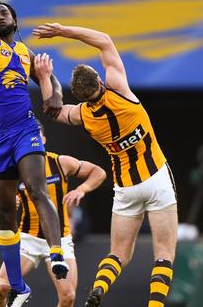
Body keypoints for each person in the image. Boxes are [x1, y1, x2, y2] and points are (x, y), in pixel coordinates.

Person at [32, 23, 178, 307]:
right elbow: (104, 41)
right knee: (164, 254)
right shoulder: (119, 91)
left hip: (125, 187)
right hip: (156, 178)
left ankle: (98, 290)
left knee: (118, 255)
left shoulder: (84, 116)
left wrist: (45, 77)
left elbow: (52, 110)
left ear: (80, 95)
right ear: (99, 79)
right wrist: (62, 30)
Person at [0, 0, 68, 307]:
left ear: (15, 22)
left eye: (4, 12)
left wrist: (48, 84)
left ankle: (57, 253)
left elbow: (53, 98)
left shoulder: (26, 54)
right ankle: (18, 285)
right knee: (5, 214)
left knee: (39, 189)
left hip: (24, 128)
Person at [0, 123, 107, 307]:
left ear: (43, 140)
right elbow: (2, 199)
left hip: (60, 239)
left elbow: (98, 172)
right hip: (28, 238)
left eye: (36, 137)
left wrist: (82, 189)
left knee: (68, 297)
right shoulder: (15, 169)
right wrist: (11, 199)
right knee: (0, 289)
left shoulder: (60, 163)